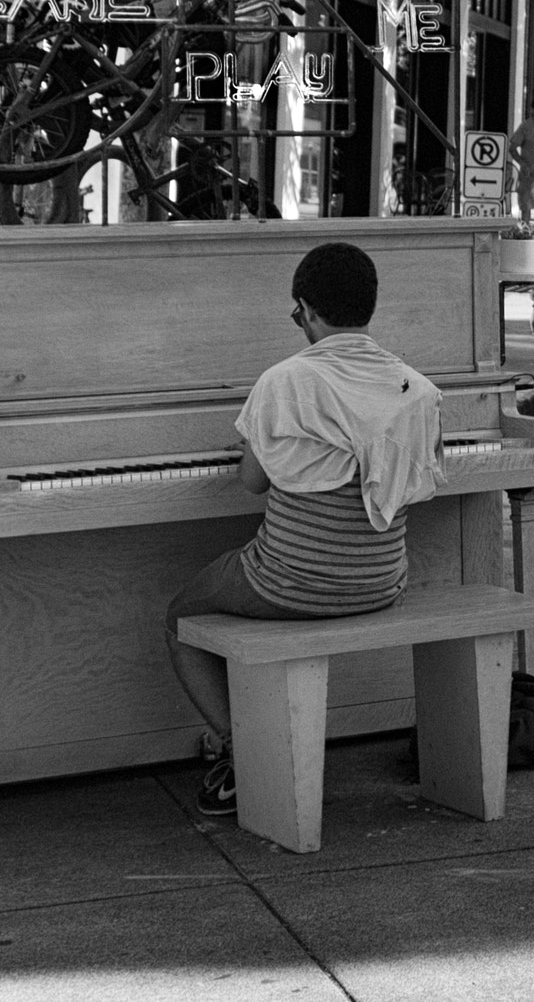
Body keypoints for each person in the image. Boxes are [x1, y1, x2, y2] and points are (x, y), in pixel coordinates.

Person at [164, 242, 443, 815]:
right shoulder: (416, 387)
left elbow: (253, 484)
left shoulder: (285, 381)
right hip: (382, 583)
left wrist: (252, 444)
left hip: (287, 586)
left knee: (179, 619)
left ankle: (240, 750)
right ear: (370, 308)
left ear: (306, 310)